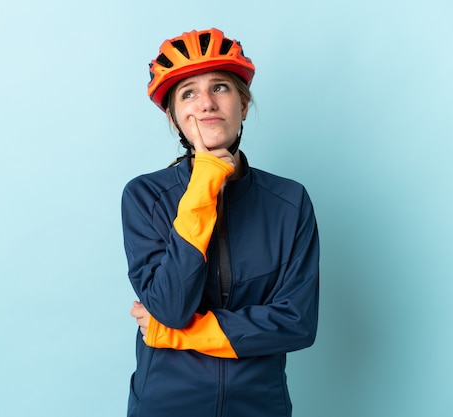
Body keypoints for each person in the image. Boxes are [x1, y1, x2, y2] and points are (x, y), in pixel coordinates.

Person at [121, 28, 320, 417]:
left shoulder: (289, 201)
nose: (207, 103)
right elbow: (171, 307)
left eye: (221, 87)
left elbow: (297, 322)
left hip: (259, 406)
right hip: (166, 405)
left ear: (243, 105)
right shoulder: (144, 197)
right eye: (189, 93)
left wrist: (180, 335)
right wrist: (204, 183)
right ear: (175, 118)